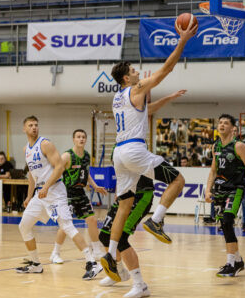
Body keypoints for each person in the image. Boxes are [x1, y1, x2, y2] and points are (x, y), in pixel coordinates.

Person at [100, 21, 197, 282]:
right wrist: (183, 40)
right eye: (133, 70)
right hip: (134, 151)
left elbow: (146, 112)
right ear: (126, 78)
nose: (137, 72)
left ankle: (110, 255)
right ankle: (156, 219)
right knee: (178, 180)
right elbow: (167, 68)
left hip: (118, 154)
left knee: (123, 205)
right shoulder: (137, 88)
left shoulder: (118, 97)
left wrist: (168, 98)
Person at [16, 115, 100, 279]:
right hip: (40, 194)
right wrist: (28, 196)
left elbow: (60, 167)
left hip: (54, 191)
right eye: (30, 125)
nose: (34, 127)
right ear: (24, 129)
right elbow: (32, 175)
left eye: (36, 125)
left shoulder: (45, 144)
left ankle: (92, 263)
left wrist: (46, 187)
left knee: (67, 226)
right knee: (24, 226)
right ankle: (35, 264)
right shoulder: (26, 149)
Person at [205, 114, 245, 277]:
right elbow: (213, 171)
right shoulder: (216, 146)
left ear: (232, 128)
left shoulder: (239, 146)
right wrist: (208, 190)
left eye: (226, 123)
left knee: (227, 221)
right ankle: (238, 261)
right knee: (224, 225)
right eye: (220, 122)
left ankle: (230, 264)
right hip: (220, 190)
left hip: (235, 189)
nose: (222, 125)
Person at [49, 129, 108, 273]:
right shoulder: (67, 156)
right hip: (66, 193)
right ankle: (55, 253)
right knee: (65, 225)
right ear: (73, 139)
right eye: (78, 137)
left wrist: (95, 186)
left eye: (83, 137)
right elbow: (55, 170)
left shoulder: (87, 156)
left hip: (81, 192)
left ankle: (96, 250)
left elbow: (86, 174)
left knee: (92, 220)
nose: (81, 139)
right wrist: (50, 188)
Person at [99, 175, 154, 297]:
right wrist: (119, 190)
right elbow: (120, 171)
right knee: (104, 235)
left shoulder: (139, 155)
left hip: (140, 194)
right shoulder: (116, 155)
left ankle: (140, 285)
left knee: (121, 238)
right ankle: (118, 272)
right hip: (124, 195)